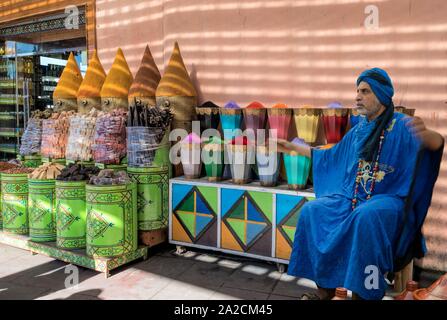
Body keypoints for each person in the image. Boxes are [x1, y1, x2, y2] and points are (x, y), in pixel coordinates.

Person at [274, 68, 444, 300]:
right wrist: (293, 147)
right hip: (351, 198)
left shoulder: (403, 125)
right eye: (357, 91)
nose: (357, 97)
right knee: (313, 211)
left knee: (366, 217)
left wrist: (426, 135)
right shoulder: (358, 131)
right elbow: (330, 156)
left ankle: (364, 294)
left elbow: (435, 143)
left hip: (388, 201)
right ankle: (325, 291)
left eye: (365, 91)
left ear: (382, 95)